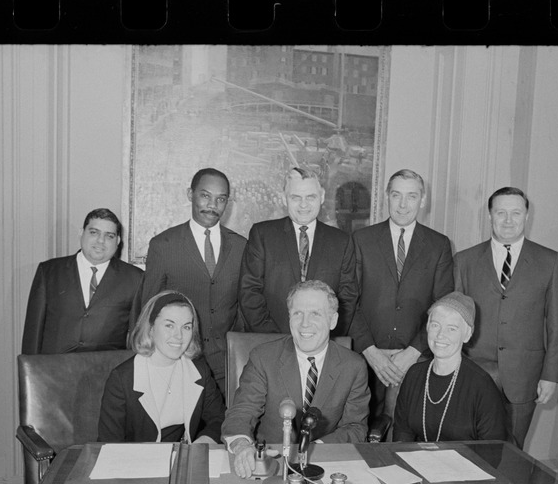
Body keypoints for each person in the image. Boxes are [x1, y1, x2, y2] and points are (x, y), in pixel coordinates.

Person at [453, 187, 558, 449]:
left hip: (524, 376)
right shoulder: (465, 260)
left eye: (515, 213)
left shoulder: (549, 261)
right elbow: (454, 321)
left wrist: (551, 375)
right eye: (501, 213)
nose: (508, 220)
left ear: (526, 215)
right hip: (474, 373)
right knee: (469, 447)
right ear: (490, 216)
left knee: (513, 450)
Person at [223, 280, 370, 478]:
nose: (305, 323)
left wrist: (314, 449)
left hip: (325, 466)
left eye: (315, 314)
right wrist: (242, 446)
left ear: (333, 320)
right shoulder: (263, 357)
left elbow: (355, 427)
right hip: (269, 465)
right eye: (297, 313)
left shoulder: (354, 366)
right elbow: (242, 411)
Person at [130, 168, 247, 400]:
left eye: (221, 199)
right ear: (189, 194)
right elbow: (149, 311)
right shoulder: (163, 245)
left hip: (227, 366)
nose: (212, 205)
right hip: (178, 361)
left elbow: (244, 309)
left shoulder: (243, 246)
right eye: (205, 196)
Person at [350, 168, 454, 420]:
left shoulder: (438, 245)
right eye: (396, 195)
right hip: (366, 358)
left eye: (412, 196)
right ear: (387, 197)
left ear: (423, 200)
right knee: (361, 432)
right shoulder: (360, 239)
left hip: (415, 361)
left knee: (403, 435)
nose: (403, 204)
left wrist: (412, 352)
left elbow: (442, 306)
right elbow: (348, 301)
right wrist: (371, 352)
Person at [239, 167, 357, 336]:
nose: (303, 205)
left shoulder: (341, 241)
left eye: (311, 197)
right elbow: (249, 292)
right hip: (271, 342)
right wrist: (273, 338)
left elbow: (347, 299)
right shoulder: (262, 235)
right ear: (284, 199)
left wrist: (325, 338)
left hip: (322, 344)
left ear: (322, 197)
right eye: (296, 197)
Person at [98, 291, 224, 444]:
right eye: (169, 325)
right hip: (136, 461)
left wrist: (201, 444)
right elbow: (109, 443)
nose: (179, 336)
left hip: (184, 458)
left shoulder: (198, 369)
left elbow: (219, 418)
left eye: (186, 327)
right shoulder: (122, 378)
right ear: (150, 328)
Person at [392, 293, 511, 443]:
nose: (441, 335)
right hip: (419, 461)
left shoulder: (482, 386)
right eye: (435, 325)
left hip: (467, 464)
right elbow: (402, 432)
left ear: (467, 335)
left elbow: (491, 451)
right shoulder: (414, 374)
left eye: (452, 328)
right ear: (427, 327)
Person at [21, 208, 143, 354]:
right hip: (53, 371)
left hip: (106, 372)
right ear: (81, 233)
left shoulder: (134, 278)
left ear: (117, 241)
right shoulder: (49, 272)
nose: (100, 241)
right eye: (94, 232)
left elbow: (137, 337)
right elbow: (33, 332)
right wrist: (29, 372)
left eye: (109, 236)